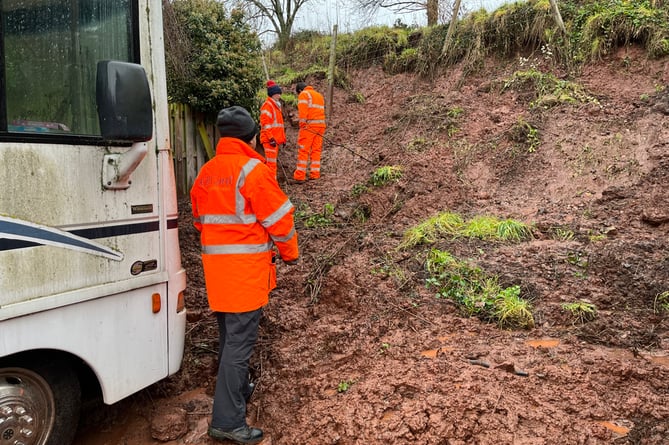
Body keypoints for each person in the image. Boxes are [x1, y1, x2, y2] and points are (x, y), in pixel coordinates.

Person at [190, 105, 299, 445]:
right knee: (239, 347)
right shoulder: (254, 171)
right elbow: (280, 220)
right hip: (245, 278)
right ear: (252, 137)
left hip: (217, 276)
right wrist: (290, 254)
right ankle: (227, 421)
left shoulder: (206, 172)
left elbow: (199, 221)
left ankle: (234, 393)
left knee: (229, 340)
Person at [293, 81, 326, 181]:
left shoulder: (304, 94)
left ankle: (299, 176)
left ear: (299, 90)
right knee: (316, 150)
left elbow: (303, 112)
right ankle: (315, 174)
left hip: (310, 127)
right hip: (320, 126)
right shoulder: (319, 95)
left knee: (303, 149)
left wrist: (302, 126)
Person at [259, 80, 287, 177]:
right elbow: (266, 124)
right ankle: (272, 186)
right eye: (278, 94)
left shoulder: (275, 106)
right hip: (270, 140)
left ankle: (272, 186)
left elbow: (279, 126)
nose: (279, 96)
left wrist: (282, 139)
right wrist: (271, 138)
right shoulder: (268, 106)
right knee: (271, 165)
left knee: (272, 164)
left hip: (274, 140)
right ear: (273, 94)